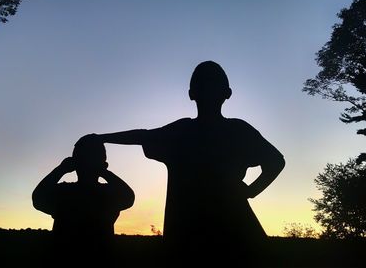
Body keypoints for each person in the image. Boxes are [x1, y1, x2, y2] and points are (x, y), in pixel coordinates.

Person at [93, 61, 285, 264]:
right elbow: (276, 161)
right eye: (205, 86)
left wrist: (101, 137)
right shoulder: (232, 131)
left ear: (192, 94)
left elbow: (142, 136)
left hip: (201, 231)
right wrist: (250, 191)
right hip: (216, 229)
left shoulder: (190, 132)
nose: (208, 92)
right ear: (227, 93)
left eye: (211, 86)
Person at [32, 135, 135, 262]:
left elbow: (38, 198)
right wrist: (104, 172)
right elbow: (128, 197)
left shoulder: (64, 192)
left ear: (74, 163)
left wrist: (60, 169)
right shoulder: (108, 194)